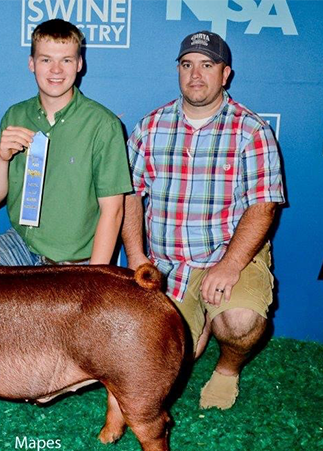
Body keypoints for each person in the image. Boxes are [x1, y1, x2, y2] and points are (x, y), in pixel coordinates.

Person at [122, 31, 285, 410]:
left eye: (207, 65)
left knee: (240, 322)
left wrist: (230, 265)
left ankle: (227, 369)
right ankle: (200, 322)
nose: (195, 75)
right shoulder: (150, 127)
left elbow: (263, 206)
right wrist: (135, 255)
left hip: (229, 256)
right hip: (167, 263)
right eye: (187, 65)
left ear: (225, 74)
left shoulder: (252, 131)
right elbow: (130, 195)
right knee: (162, 360)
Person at [0, 19, 132, 267]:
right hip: (20, 246)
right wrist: (1, 159)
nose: (56, 70)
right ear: (32, 63)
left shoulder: (103, 125)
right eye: (46, 60)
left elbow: (113, 212)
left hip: (74, 262)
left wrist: (93, 279)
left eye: (66, 60)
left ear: (79, 64)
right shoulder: (16, 115)